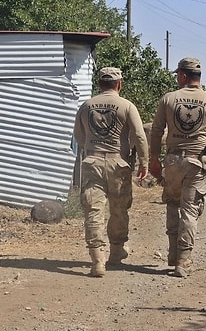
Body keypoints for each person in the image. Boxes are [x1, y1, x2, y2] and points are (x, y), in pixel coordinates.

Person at [149, 57, 206, 278]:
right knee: (189, 210)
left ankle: (172, 253)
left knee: (172, 204)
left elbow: (157, 131)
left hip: (172, 162)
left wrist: (153, 158)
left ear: (182, 76)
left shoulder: (168, 99)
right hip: (198, 163)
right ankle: (183, 260)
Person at [73, 67, 149, 277]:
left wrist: (91, 150)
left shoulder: (86, 106)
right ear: (119, 84)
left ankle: (98, 260)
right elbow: (140, 136)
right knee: (119, 209)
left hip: (92, 161)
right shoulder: (126, 106)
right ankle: (116, 252)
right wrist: (144, 162)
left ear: (99, 84)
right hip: (118, 163)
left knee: (93, 210)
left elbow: (78, 136)